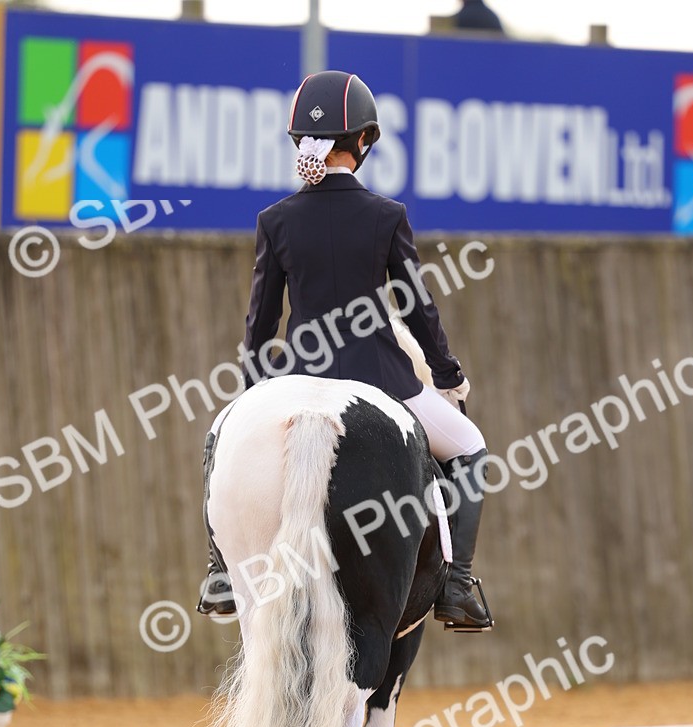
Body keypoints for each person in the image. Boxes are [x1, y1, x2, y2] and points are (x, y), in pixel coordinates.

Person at [197, 70, 492, 631]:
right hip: (380, 379)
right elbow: (418, 308)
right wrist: (447, 372)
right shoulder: (387, 216)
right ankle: (458, 586)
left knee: (220, 438)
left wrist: (251, 394)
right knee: (472, 448)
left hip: (296, 378)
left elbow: (260, 322)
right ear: (363, 141)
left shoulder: (275, 220)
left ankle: (217, 572)